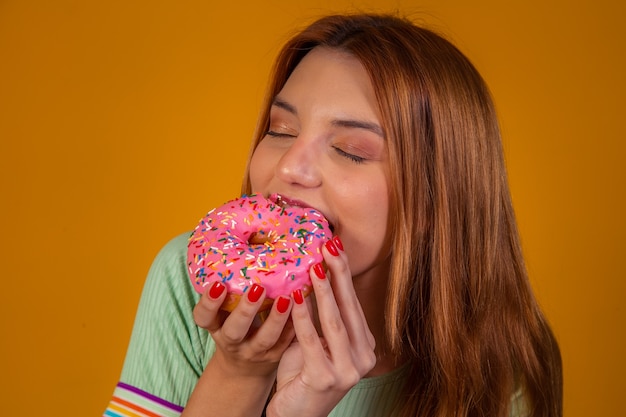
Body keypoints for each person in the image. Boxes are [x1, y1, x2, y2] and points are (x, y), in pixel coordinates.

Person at [104, 13, 562, 417]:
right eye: (281, 130)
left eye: (350, 150)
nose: (289, 167)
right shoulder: (187, 281)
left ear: (435, 199)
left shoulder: (501, 359)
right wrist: (237, 375)